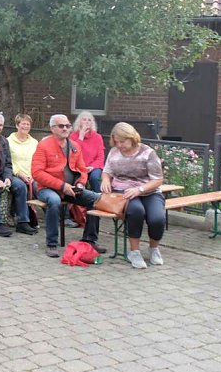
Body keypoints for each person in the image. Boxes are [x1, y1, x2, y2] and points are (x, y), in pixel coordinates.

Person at [32, 114, 104, 258]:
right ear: (52, 128)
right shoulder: (43, 145)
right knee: (54, 201)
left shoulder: (75, 146)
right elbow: (37, 173)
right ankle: (52, 244)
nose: (65, 128)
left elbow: (82, 170)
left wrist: (80, 184)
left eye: (67, 126)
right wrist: (61, 185)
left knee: (97, 199)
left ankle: (89, 240)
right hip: (46, 188)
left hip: (71, 189)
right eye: (61, 126)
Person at [101, 122, 165, 269]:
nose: (120, 145)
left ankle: (154, 249)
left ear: (131, 137)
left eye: (123, 141)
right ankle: (134, 252)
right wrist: (105, 179)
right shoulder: (114, 152)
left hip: (148, 191)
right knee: (136, 211)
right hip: (123, 192)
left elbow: (158, 179)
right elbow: (107, 171)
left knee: (157, 218)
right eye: (117, 142)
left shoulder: (147, 152)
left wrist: (140, 189)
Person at [70, 111, 106, 193]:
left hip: (93, 167)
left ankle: (99, 200)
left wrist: (92, 167)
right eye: (84, 119)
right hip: (78, 167)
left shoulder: (97, 137)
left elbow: (100, 158)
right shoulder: (73, 136)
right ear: (79, 122)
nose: (87, 122)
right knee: (77, 180)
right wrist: (81, 137)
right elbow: (73, 154)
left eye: (89, 120)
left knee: (94, 177)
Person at [7, 113, 39, 197]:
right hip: (15, 175)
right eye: (23, 124)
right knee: (21, 187)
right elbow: (7, 162)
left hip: (32, 176)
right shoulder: (8, 142)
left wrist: (34, 175)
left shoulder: (35, 142)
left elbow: (37, 161)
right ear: (17, 125)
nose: (26, 126)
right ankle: (23, 210)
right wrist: (19, 173)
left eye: (28, 124)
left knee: (41, 187)